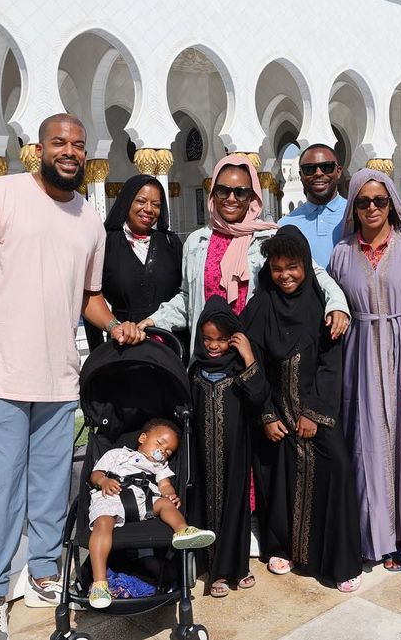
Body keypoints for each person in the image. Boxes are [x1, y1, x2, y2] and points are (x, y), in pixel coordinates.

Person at [0, 113, 141, 640]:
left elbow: (88, 297)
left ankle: (43, 573)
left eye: (78, 144)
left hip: (58, 377)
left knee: (53, 485)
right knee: (0, 487)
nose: (70, 151)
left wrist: (115, 326)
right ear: (37, 149)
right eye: (59, 142)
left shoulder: (89, 220)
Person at [328, 168, 401, 571]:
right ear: (353, 207)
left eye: (380, 200)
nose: (372, 208)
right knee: (368, 446)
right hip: (361, 359)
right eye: (363, 201)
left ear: (392, 203)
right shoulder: (342, 253)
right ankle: (375, 536)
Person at [245, 227, 363, 593]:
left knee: (336, 468)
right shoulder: (261, 306)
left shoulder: (320, 305)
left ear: (306, 265)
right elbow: (250, 362)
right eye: (277, 268)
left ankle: (338, 563)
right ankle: (283, 548)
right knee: (278, 477)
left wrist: (313, 413)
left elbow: (331, 362)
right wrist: (266, 414)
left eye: (293, 267)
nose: (285, 275)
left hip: (315, 411)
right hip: (277, 415)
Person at [142, 154, 349, 355]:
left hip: (255, 354)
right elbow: (188, 298)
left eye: (240, 192)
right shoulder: (196, 242)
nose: (231, 199)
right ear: (213, 193)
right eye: (223, 191)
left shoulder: (269, 237)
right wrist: (155, 320)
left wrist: (337, 305)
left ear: (252, 197)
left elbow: (314, 274)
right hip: (210, 356)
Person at [86, 418, 216, 609]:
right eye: (160, 443)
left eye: (168, 451)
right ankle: (99, 584)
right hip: (112, 497)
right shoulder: (118, 454)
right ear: (142, 438)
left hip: (143, 501)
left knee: (165, 504)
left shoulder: (160, 466)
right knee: (102, 523)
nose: (163, 451)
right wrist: (103, 481)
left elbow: (165, 485)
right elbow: (96, 474)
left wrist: (170, 495)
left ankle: (183, 530)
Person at [187, 296, 265, 598]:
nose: (214, 346)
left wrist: (248, 356)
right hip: (203, 458)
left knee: (235, 507)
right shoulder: (196, 371)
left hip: (236, 454)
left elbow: (258, 396)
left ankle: (238, 566)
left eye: (221, 339)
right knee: (206, 508)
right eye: (207, 339)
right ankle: (216, 572)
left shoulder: (237, 368)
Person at [279, 145, 401, 269]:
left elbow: (397, 242)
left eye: (327, 167)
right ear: (300, 175)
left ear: (338, 171)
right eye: (309, 169)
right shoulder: (285, 225)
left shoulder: (361, 213)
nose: (318, 173)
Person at [83, 175, 182, 352]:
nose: (148, 209)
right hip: (123, 343)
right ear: (127, 202)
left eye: (156, 204)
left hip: (167, 343)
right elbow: (91, 295)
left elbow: (184, 294)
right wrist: (98, 350)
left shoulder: (170, 243)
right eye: (141, 201)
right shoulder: (106, 244)